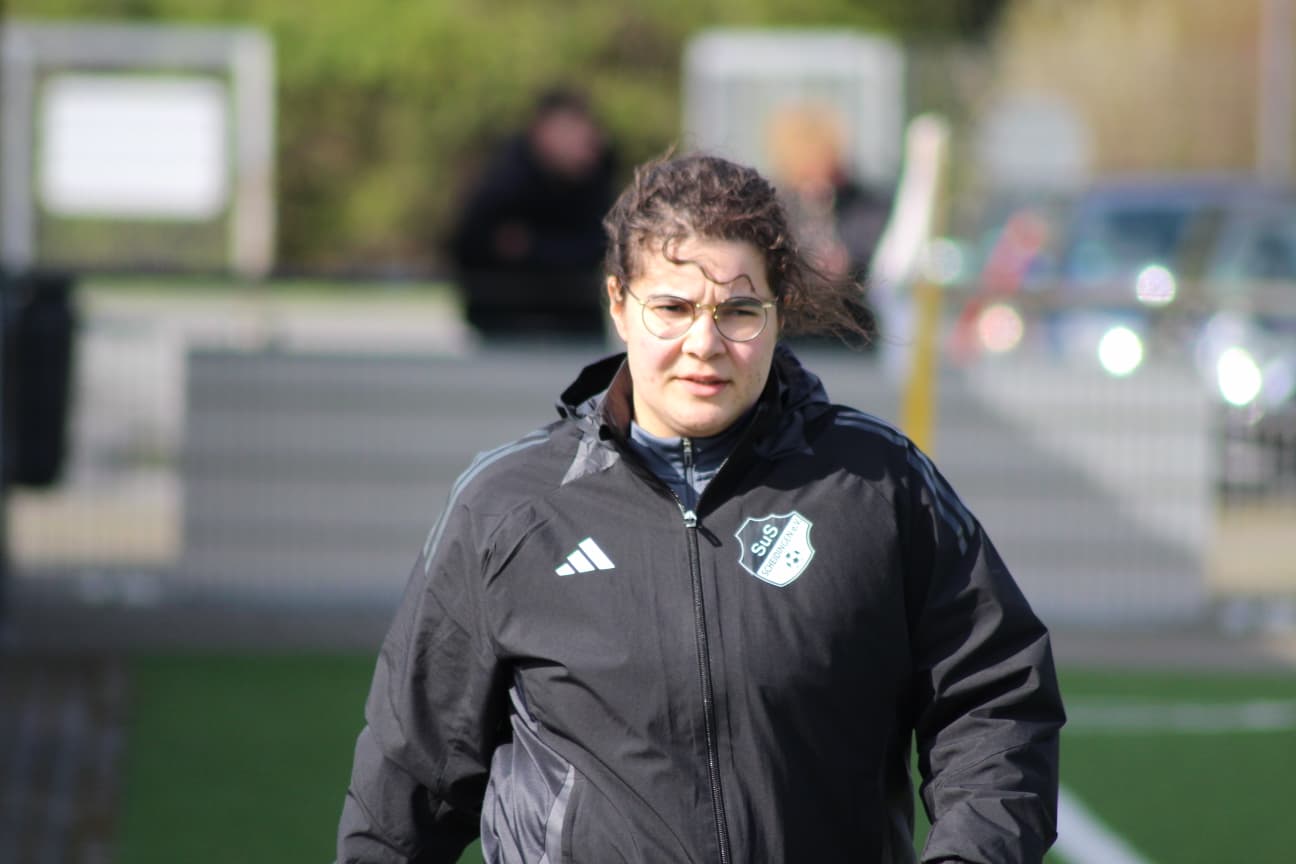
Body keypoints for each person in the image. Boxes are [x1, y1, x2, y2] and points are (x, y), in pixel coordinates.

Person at [339, 153, 1065, 863]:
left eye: (739, 311)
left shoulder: (879, 484)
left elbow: (995, 699)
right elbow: (410, 782)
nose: (704, 344)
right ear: (619, 304)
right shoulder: (509, 506)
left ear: (779, 311)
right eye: (673, 308)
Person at [449, 87, 616, 340]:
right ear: (544, 131)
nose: (586, 140)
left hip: (576, 327)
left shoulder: (595, 180)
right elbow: (472, 246)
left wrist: (532, 247)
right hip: (507, 326)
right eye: (571, 130)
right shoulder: (505, 182)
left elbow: (602, 248)